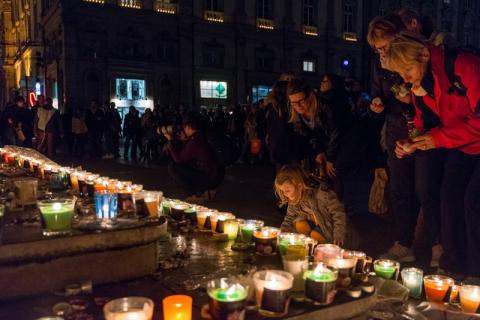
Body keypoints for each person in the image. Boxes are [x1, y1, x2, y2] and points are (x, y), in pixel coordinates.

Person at [384, 34, 480, 278]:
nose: (405, 79)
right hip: (463, 146)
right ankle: (453, 267)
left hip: (472, 142)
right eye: (401, 74)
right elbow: (423, 122)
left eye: (407, 70)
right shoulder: (423, 84)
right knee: (448, 200)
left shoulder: (463, 66)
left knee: (473, 202)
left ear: (424, 55)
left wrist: (438, 138)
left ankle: (476, 272)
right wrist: (412, 143)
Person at [368, 13, 445, 266]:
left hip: (424, 129)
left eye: (384, 45)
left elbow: (432, 96)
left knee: (425, 188)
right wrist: (377, 102)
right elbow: (378, 91)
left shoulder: (416, 55)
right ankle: (404, 241)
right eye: (377, 48)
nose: (382, 52)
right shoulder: (381, 64)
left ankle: (433, 243)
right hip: (397, 126)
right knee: (400, 189)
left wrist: (411, 100)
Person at [276, 164, 346, 246]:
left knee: (315, 235)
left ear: (299, 186)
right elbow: (289, 218)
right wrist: (281, 234)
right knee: (300, 224)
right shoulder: (295, 198)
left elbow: (338, 213)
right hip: (317, 225)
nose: (285, 194)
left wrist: (339, 234)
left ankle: (318, 249)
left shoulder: (322, 194)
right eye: (282, 191)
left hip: (331, 229)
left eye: (287, 190)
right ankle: (309, 247)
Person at [164, 112, 225, 204]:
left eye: (184, 128)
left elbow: (178, 159)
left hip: (209, 178)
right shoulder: (201, 136)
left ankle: (194, 195)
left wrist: (170, 141)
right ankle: (205, 191)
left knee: (173, 168)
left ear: (188, 127)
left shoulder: (195, 141)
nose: (183, 130)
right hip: (216, 175)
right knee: (183, 167)